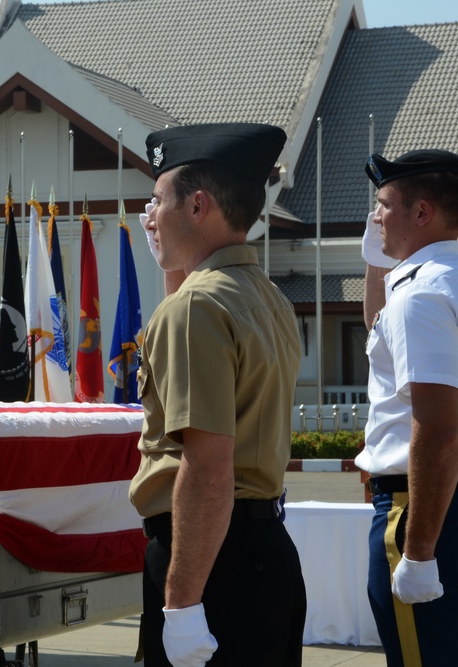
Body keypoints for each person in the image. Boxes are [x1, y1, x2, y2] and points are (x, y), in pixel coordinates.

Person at [129, 123, 305, 667]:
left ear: (198, 205)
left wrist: (181, 604)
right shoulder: (267, 296)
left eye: (158, 201)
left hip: (210, 566)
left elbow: (206, 466)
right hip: (260, 555)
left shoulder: (195, 308)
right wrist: (175, 263)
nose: (150, 216)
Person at [356, 149, 458, 666]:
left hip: (420, 511)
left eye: (383, 205)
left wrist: (419, 552)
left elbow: (439, 431)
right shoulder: (449, 282)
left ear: (421, 213)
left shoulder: (420, 295)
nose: (375, 217)